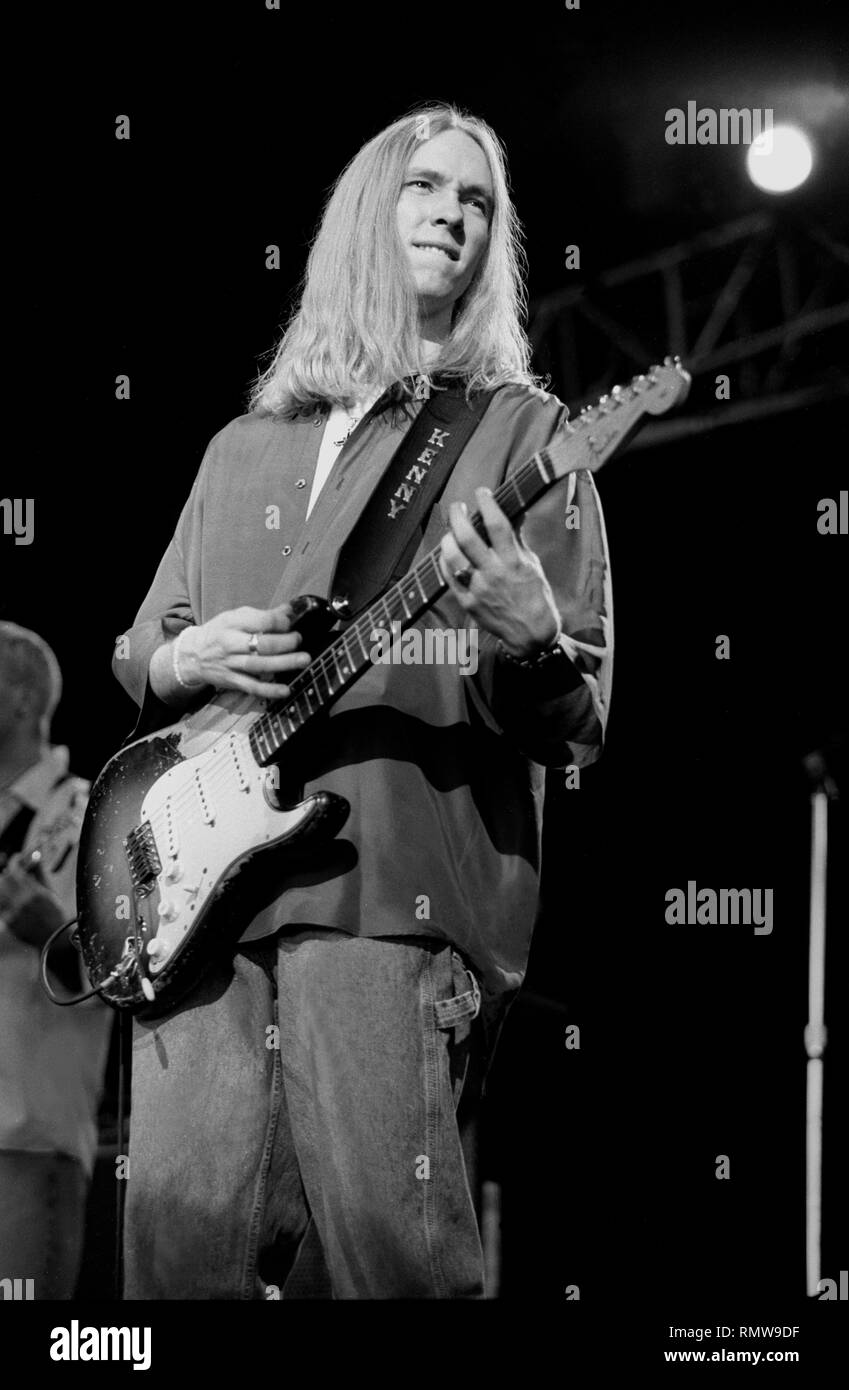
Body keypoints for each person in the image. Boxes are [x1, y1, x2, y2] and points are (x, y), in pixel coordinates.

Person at [112, 104, 613, 1299]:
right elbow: (142, 648)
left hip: (387, 890)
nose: (454, 213)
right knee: (173, 1269)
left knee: (398, 1261)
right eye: (426, 186)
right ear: (362, 216)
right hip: (196, 918)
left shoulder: (519, 431)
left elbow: (578, 704)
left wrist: (533, 634)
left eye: (478, 199)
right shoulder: (244, 445)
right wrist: (192, 661)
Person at [0, 623, 112, 1299]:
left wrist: (54, 932)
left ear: (18, 699)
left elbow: (123, 972)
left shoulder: (89, 808)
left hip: (28, 1138)